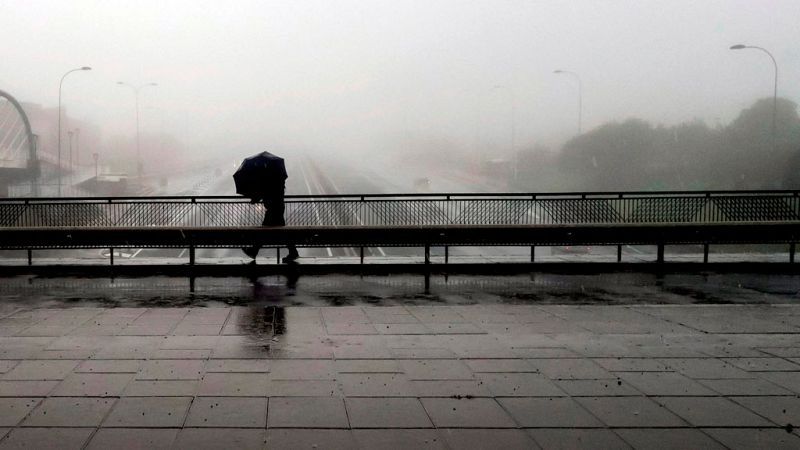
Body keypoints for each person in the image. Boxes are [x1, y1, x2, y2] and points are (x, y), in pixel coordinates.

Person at [242, 178, 299, 263]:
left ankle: (254, 251)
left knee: (264, 231)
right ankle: (293, 251)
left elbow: (266, 192)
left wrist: (255, 199)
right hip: (277, 207)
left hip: (273, 209)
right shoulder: (278, 181)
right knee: (282, 232)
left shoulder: (271, 180)